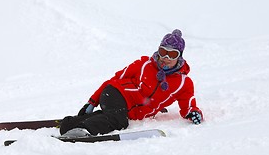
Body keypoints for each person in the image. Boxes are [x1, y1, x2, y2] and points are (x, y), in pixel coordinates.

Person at [60, 29, 203, 137]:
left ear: (180, 57)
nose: (165, 57)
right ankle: (85, 130)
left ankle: (70, 124)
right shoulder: (144, 65)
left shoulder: (184, 83)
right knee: (119, 121)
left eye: (171, 54)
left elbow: (188, 104)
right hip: (115, 94)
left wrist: (193, 113)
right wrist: (92, 101)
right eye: (162, 51)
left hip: (125, 109)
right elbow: (114, 79)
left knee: (115, 116)